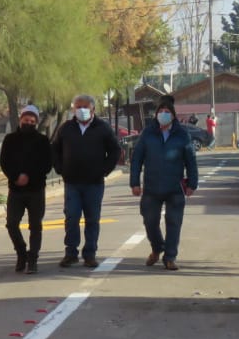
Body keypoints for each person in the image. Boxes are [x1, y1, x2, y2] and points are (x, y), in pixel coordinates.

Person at [51, 93, 120, 268]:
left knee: (92, 219)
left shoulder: (102, 128)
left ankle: (90, 254)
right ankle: (71, 253)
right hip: (72, 182)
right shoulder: (66, 128)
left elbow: (115, 151)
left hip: (94, 183)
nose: (81, 110)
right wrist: (60, 168)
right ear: (73, 109)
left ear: (93, 109)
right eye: (78, 107)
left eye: (85, 107)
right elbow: (55, 149)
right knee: (72, 217)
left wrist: (104, 170)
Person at [130, 95, 199, 271]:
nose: (163, 114)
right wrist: (134, 183)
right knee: (150, 221)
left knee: (174, 222)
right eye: (160, 111)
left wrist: (192, 183)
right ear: (156, 115)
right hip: (152, 188)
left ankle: (170, 257)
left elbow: (190, 160)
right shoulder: (148, 133)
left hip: (174, 187)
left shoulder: (182, 135)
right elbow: (137, 158)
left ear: (173, 115)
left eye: (167, 112)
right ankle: (157, 247)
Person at [0, 104, 52, 274]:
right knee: (12, 223)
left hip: (36, 189)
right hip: (16, 190)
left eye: (31, 120)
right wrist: (16, 177)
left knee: (35, 225)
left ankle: (33, 258)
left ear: (35, 122)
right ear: (20, 119)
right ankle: (21, 253)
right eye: (25, 120)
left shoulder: (42, 141)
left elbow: (46, 164)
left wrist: (29, 176)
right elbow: (4, 162)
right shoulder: (10, 139)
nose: (28, 123)